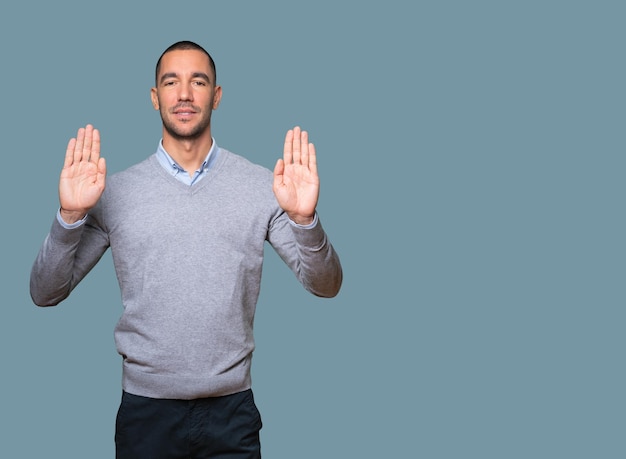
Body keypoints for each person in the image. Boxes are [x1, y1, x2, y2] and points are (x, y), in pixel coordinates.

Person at [30, 40, 342, 458]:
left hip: (232, 413)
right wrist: (69, 215)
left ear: (216, 96)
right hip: (145, 414)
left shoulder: (264, 187)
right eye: (171, 82)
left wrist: (305, 220)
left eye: (198, 81)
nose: (183, 94)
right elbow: (45, 292)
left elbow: (326, 285)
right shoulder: (113, 192)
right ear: (155, 97)